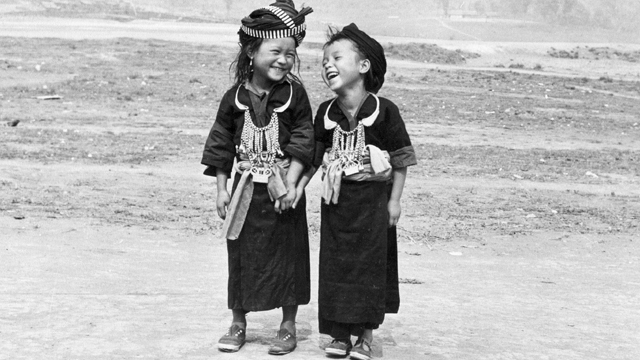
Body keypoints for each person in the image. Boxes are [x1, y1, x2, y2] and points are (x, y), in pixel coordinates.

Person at [200, 0, 314, 355]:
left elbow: (304, 139)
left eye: (291, 54)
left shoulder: (295, 95)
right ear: (251, 51)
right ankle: (238, 322)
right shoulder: (233, 99)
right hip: (244, 192)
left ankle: (287, 326)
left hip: (284, 190)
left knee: (288, 255)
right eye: (276, 51)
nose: (284, 60)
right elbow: (221, 145)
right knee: (241, 255)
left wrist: (292, 185)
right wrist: (221, 190)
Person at [312, 23, 417, 360]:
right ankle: (339, 336)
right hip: (337, 204)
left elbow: (401, 160)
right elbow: (313, 157)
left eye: (336, 57)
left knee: (369, 267)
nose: (328, 64)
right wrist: (295, 186)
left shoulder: (385, 111)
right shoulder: (325, 113)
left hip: (373, 204)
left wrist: (395, 201)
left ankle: (366, 338)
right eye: (324, 59)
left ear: (363, 66)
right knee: (336, 266)